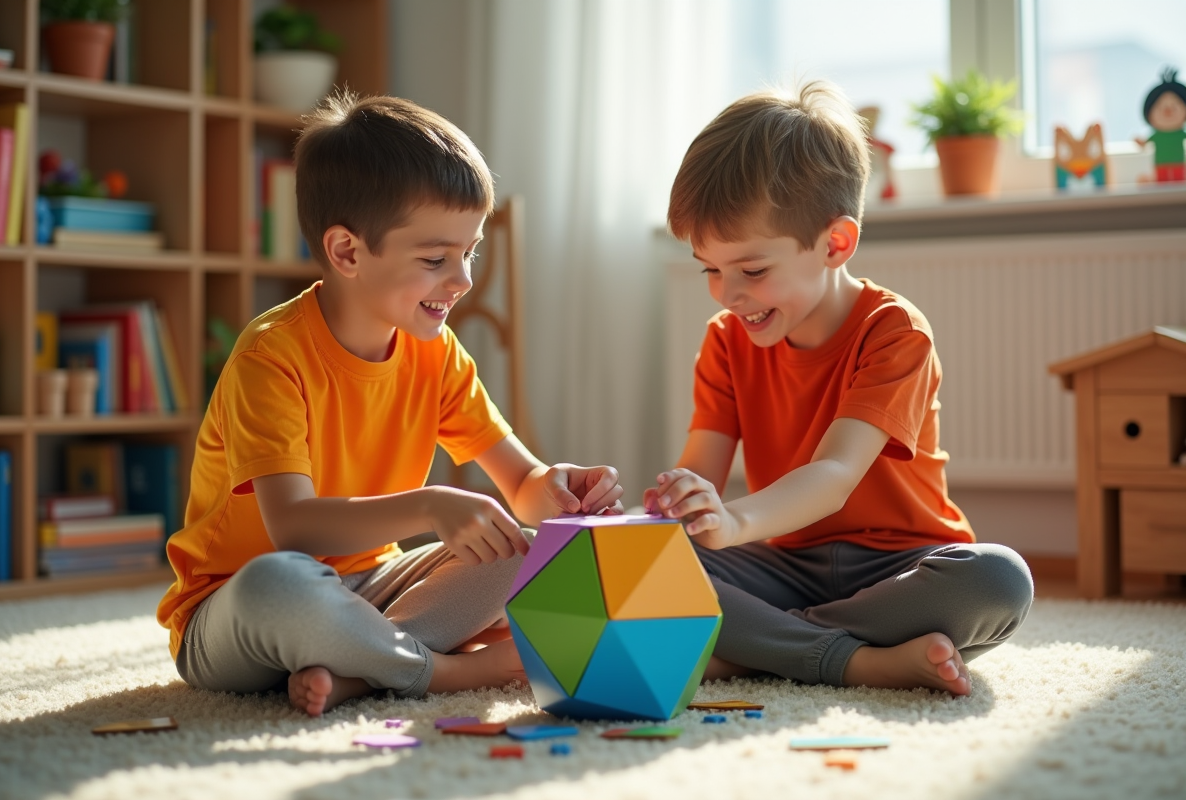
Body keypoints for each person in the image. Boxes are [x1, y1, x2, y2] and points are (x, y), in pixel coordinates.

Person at [158, 92, 624, 716]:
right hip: (238, 610)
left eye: (469, 252)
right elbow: (293, 528)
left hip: (373, 592)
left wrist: (560, 489)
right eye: (435, 259)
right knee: (283, 582)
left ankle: (362, 669)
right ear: (347, 252)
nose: (462, 280)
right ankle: (441, 672)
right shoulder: (270, 357)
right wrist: (429, 505)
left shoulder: (437, 353)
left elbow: (520, 483)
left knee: (526, 548)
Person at [645, 83, 1033, 696]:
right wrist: (680, 501)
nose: (727, 294)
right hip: (782, 564)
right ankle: (854, 659)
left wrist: (735, 519)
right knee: (644, 562)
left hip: (900, 564)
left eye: (751, 270)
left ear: (835, 244)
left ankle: (765, 645)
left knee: (999, 579)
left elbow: (834, 474)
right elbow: (701, 474)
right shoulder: (724, 341)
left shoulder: (894, 332)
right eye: (710, 269)